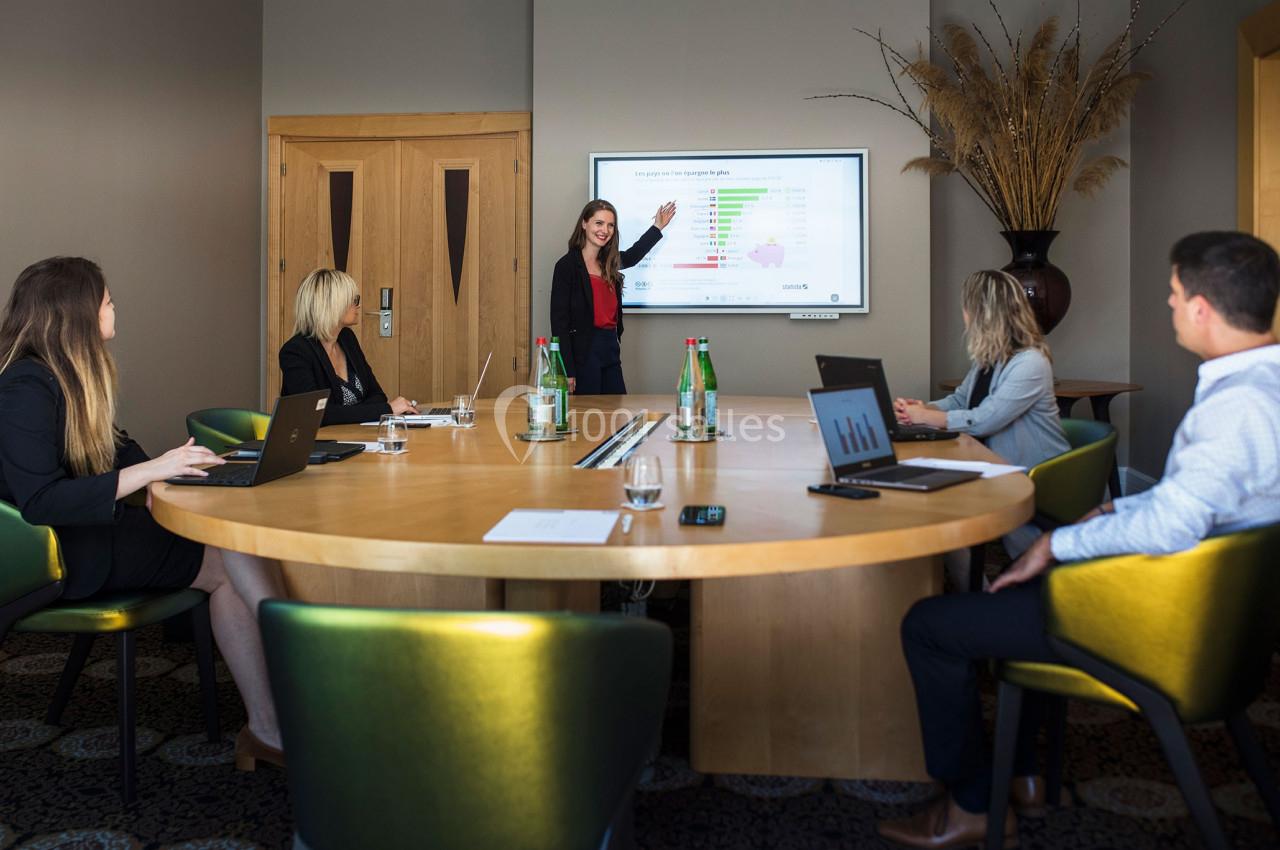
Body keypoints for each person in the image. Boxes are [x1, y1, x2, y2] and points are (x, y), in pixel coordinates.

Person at [877, 231, 1280, 850]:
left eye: (1173, 295)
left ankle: (972, 803)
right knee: (1017, 596)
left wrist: (1057, 546)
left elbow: (1176, 524)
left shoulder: (1236, 408)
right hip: (1206, 615)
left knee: (930, 626)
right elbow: (1196, 504)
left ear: (1202, 308)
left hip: (1153, 621)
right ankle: (1024, 774)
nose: (1168, 306)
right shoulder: (1262, 392)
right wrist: (1116, 508)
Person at [0, 257, 290, 770]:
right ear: (78, 314)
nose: (115, 308)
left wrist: (173, 468)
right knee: (226, 560)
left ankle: (282, 688)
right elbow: (41, 501)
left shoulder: (69, 376)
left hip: (92, 532)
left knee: (233, 547)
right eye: (108, 301)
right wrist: (152, 471)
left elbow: (118, 449)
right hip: (62, 554)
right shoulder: (25, 386)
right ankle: (275, 709)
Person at [895, 269, 1070, 579]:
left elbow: (986, 419)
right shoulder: (990, 358)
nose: (963, 314)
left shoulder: (1030, 362)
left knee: (941, 502)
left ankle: (977, 588)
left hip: (1032, 473)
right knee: (933, 494)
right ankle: (965, 581)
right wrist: (921, 409)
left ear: (982, 313)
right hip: (994, 463)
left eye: (967, 307)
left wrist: (928, 418)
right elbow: (961, 401)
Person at [550, 199, 676, 394]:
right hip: (582, 352)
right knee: (590, 418)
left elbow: (633, 255)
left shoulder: (610, 261)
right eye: (599, 223)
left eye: (610, 225)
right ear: (584, 223)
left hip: (610, 347)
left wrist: (657, 226)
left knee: (617, 412)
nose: (605, 230)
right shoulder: (566, 266)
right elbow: (559, 322)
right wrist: (566, 370)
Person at [279, 268, 418, 425]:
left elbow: (377, 395)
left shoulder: (346, 338)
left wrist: (356, 413)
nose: (357, 305)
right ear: (332, 305)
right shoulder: (295, 352)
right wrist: (386, 410)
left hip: (356, 435)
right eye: (353, 299)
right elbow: (319, 414)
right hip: (318, 444)